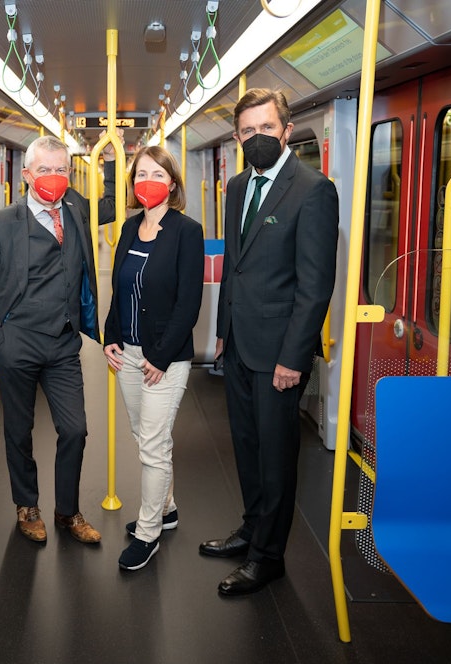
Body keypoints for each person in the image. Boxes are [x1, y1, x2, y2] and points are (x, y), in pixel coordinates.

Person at [201, 89, 338, 595]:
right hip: (239, 342)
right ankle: (252, 529)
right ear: (238, 137)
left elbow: (315, 286)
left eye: (266, 127)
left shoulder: (313, 190)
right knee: (246, 445)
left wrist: (293, 358)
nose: (256, 137)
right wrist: (222, 331)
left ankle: (268, 556)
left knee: (277, 456)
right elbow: (235, 266)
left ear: (287, 130)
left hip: (279, 351)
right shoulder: (237, 186)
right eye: (247, 131)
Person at [0, 135, 116, 545]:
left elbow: (111, 205)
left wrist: (109, 161)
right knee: (19, 431)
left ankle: (67, 510)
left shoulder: (76, 209)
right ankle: (27, 506)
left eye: (61, 169)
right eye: (45, 169)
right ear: (26, 175)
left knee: (75, 430)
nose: (54, 176)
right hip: (17, 342)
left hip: (63, 343)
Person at [102, 146, 204, 571]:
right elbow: (120, 288)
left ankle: (149, 533)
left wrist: (160, 357)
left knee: (153, 446)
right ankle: (168, 508)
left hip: (165, 358)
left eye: (157, 174)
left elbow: (189, 303)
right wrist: (110, 336)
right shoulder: (129, 228)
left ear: (172, 183)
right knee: (145, 437)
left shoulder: (187, 231)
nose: (148, 182)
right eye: (141, 174)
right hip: (127, 352)